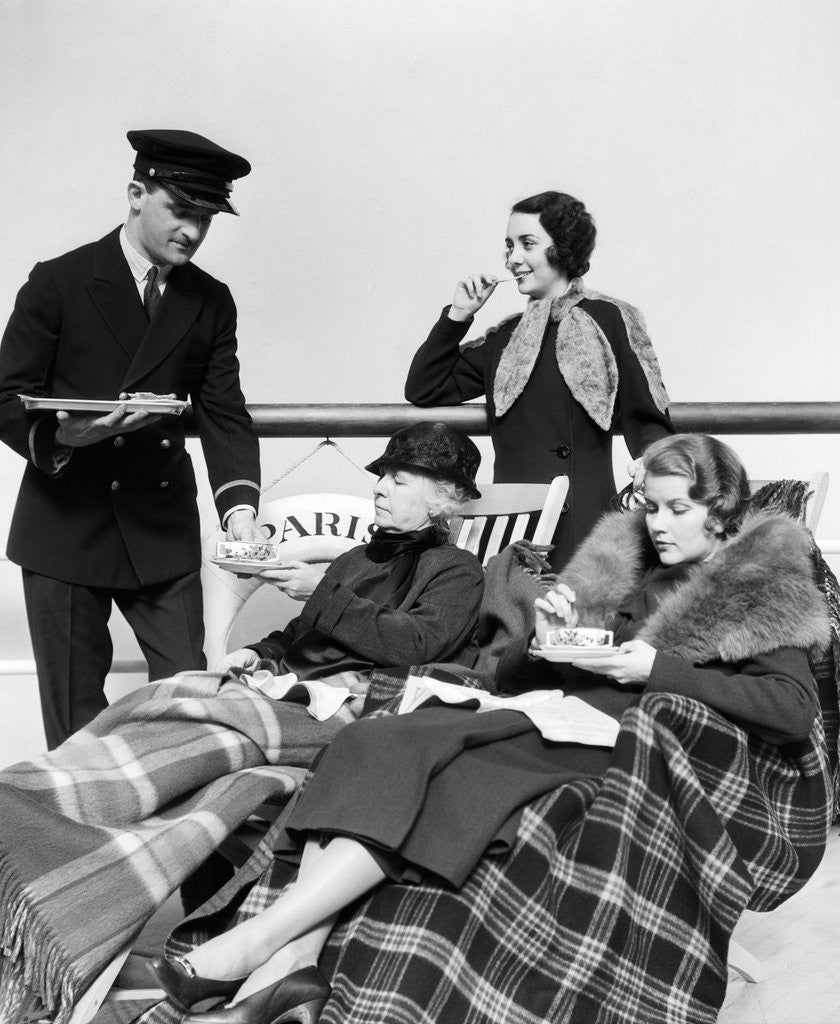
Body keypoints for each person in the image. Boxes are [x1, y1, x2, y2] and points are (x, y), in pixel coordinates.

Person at [150, 434, 830, 1024]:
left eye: (678, 509)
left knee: (459, 777)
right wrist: (546, 638)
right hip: (551, 713)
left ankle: (255, 949)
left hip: (626, 746)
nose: (659, 524)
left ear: (722, 511)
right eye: (651, 507)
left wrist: (657, 668)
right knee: (377, 738)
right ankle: (292, 960)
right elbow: (508, 674)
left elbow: (791, 708)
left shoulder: (757, 587)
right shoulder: (621, 565)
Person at [0, 422, 486, 1024]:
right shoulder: (359, 557)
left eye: (400, 479)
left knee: (195, 709)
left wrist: (322, 591)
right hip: (283, 693)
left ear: (443, 499)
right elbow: (299, 635)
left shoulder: (456, 570)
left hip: (345, 709)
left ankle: (43, 798)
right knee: (174, 693)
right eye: (383, 475)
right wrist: (259, 653)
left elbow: (417, 644)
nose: (380, 487)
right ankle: (52, 795)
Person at [0, 129, 264, 748]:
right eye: (181, 211)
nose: (192, 232)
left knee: (187, 710)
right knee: (75, 732)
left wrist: (241, 509)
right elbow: (6, 396)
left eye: (205, 218)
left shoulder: (210, 300)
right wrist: (64, 435)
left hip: (159, 524)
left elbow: (224, 411)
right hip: (66, 527)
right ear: (136, 194)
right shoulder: (59, 281)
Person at [405, 190, 674, 570]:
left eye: (527, 244)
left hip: (583, 520)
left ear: (562, 248)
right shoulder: (505, 337)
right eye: (509, 246)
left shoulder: (610, 319)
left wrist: (653, 463)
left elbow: (647, 416)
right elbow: (425, 387)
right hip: (510, 523)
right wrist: (459, 314)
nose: (513, 258)